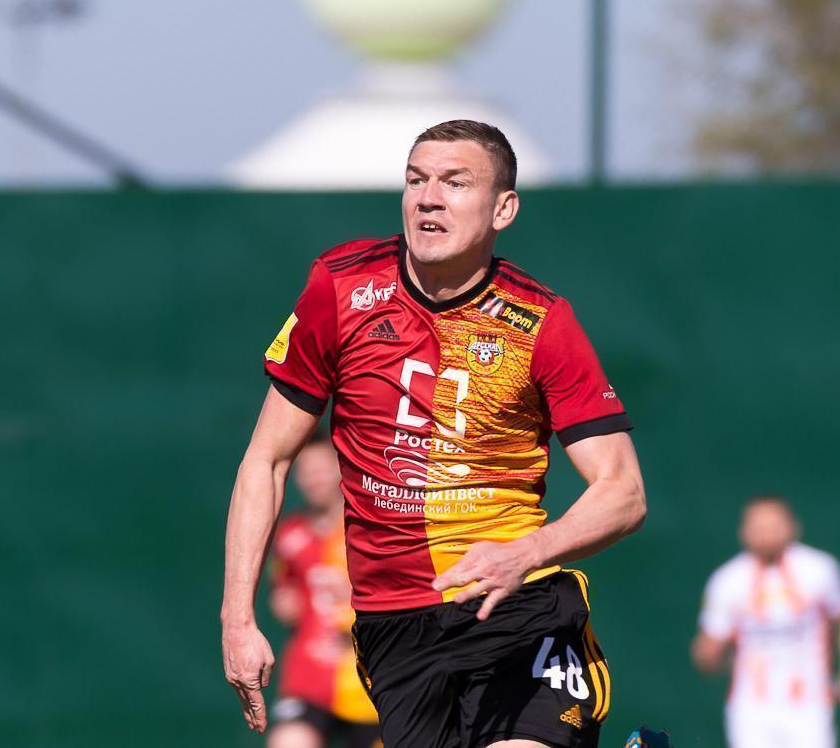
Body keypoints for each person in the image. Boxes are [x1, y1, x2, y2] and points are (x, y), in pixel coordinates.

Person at [222, 119, 647, 748]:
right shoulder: (340, 287)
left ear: (503, 209)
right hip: (393, 627)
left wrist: (528, 552)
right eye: (416, 180)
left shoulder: (541, 321)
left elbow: (624, 491)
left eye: (455, 182)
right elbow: (266, 461)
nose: (429, 198)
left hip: (513, 604)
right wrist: (237, 619)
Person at [692, 496, 840, 748]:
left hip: (809, 706)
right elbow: (710, 649)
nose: (767, 535)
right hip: (751, 709)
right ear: (744, 532)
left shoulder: (819, 569)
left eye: (774, 526)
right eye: (759, 528)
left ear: (793, 526)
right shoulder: (728, 580)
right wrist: (708, 655)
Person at [266, 434, 381, 748]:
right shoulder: (290, 533)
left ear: (341, 468)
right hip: (310, 674)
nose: (313, 479)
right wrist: (284, 602)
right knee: (290, 740)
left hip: (367, 678)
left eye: (321, 469)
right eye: (305, 471)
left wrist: (355, 594)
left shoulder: (370, 529)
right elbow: (283, 588)